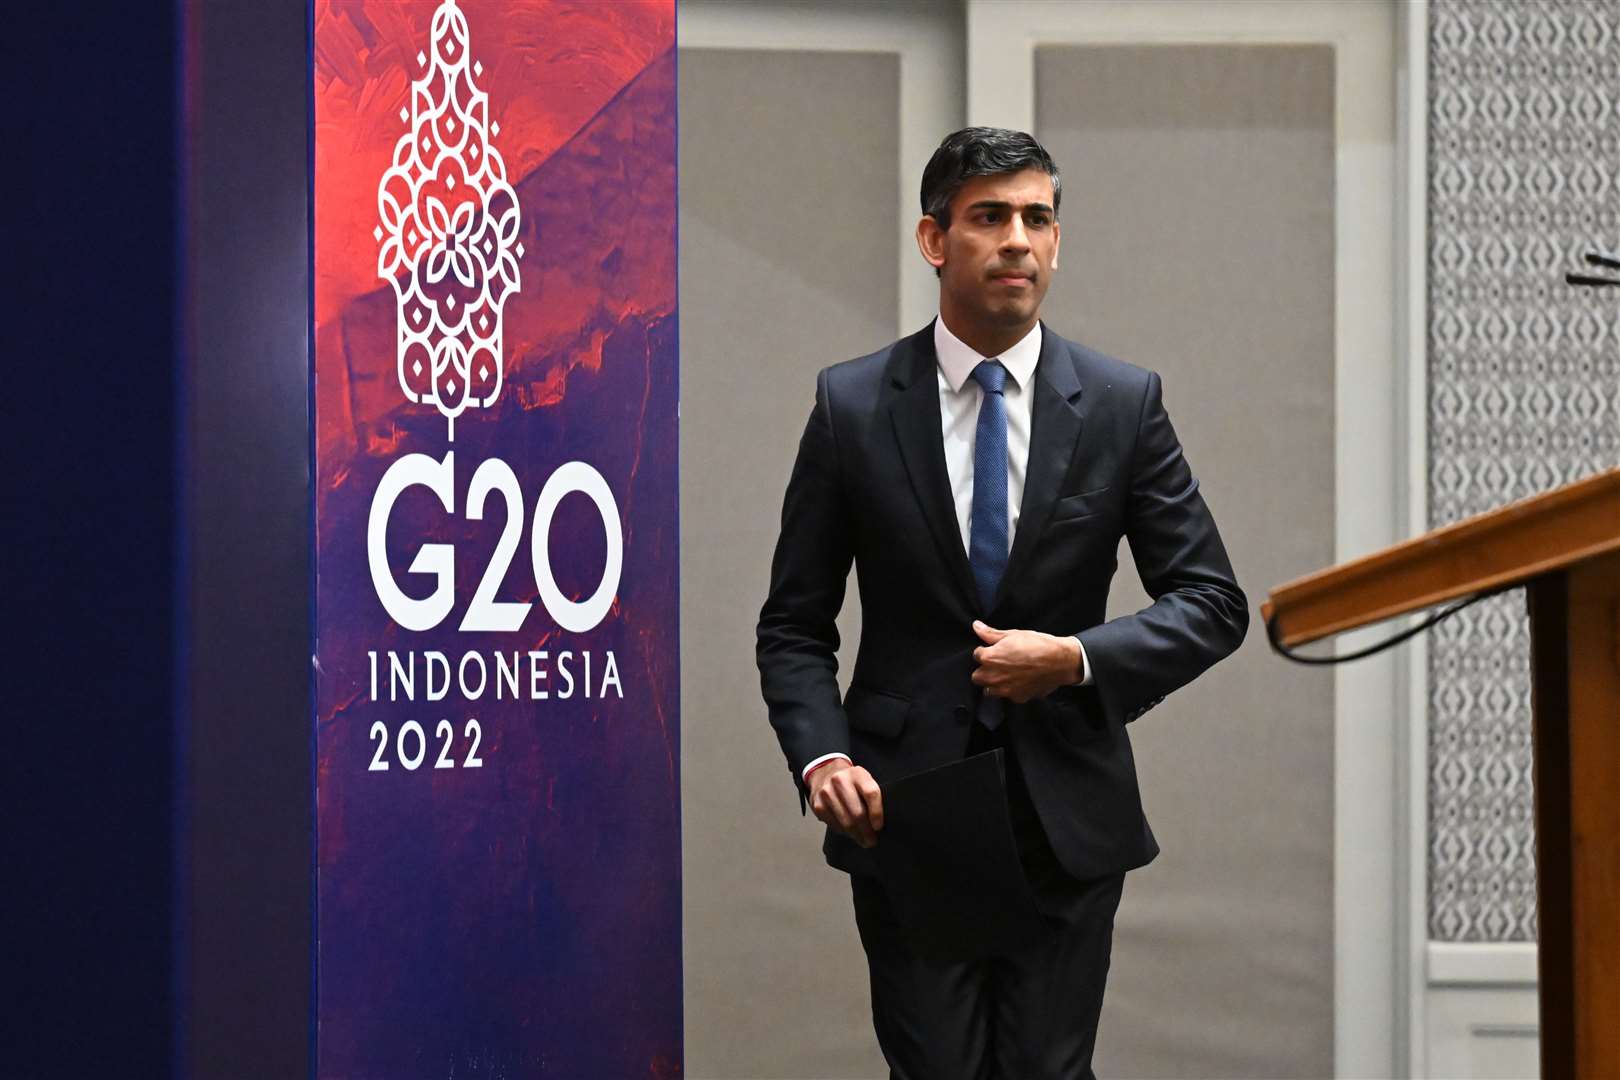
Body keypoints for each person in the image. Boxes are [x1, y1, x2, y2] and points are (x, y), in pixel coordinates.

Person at [755, 126, 1248, 1079]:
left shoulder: (1119, 403)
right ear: (935, 241)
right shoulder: (853, 404)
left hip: (1064, 806)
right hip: (909, 807)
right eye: (990, 217)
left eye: (1038, 218)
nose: (1018, 239)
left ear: (1057, 242)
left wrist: (1075, 658)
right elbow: (793, 623)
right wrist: (821, 755)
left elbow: (1211, 600)